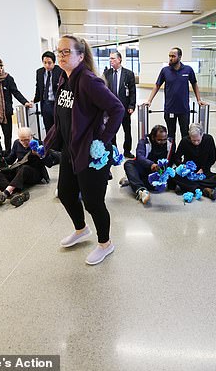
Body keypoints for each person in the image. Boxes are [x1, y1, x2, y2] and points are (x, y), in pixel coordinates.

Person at [44, 35, 124, 265]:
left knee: (93, 201)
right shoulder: (63, 79)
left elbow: (117, 108)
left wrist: (102, 141)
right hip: (71, 150)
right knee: (67, 194)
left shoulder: (88, 80)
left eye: (66, 51)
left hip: (92, 153)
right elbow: (63, 118)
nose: (61, 55)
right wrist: (49, 141)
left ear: (80, 55)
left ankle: (105, 244)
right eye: (59, 51)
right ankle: (81, 229)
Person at [145, 47, 206, 141]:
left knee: (185, 133)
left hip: (184, 109)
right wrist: (149, 100)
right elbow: (157, 86)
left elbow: (194, 84)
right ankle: (171, 155)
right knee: (170, 135)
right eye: (169, 56)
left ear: (180, 57)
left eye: (173, 56)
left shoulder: (188, 70)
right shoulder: (165, 70)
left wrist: (199, 99)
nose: (170, 58)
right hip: (170, 108)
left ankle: (185, 155)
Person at [0, 127, 50, 207]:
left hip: (34, 173)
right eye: (21, 140)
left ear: (31, 136)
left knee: (24, 168)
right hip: (19, 170)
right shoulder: (17, 143)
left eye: (26, 140)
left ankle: (5, 194)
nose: (24, 142)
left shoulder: (39, 143)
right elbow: (11, 159)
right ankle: (18, 195)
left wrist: (40, 155)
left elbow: (49, 163)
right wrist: (1, 159)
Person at [122, 125, 176, 205]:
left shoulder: (170, 143)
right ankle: (141, 190)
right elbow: (140, 157)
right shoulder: (144, 142)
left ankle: (133, 179)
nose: (162, 142)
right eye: (159, 140)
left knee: (154, 187)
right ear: (153, 137)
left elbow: (172, 159)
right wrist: (152, 165)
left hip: (159, 172)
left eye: (164, 139)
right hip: (145, 167)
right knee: (128, 164)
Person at [172, 123, 216, 200]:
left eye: (198, 140)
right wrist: (183, 167)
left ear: (202, 135)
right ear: (189, 137)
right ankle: (204, 189)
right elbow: (177, 157)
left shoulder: (208, 139)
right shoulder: (185, 141)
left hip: (203, 171)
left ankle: (192, 186)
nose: (196, 143)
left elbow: (212, 158)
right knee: (172, 175)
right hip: (188, 172)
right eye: (193, 140)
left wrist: (203, 169)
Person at [103, 51, 137, 158]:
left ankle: (127, 150)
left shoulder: (129, 74)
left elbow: (132, 91)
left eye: (113, 58)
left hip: (124, 108)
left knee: (127, 130)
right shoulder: (106, 74)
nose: (111, 61)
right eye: (110, 59)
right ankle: (113, 150)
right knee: (111, 130)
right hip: (110, 109)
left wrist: (131, 106)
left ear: (119, 59)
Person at [33, 51, 62, 132]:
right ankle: (50, 144)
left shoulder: (60, 71)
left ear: (54, 62)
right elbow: (38, 88)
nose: (47, 65)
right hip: (45, 104)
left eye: (49, 63)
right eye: (44, 62)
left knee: (59, 128)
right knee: (48, 130)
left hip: (56, 104)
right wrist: (34, 100)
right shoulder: (40, 72)